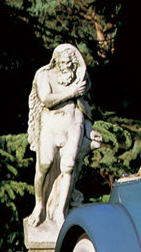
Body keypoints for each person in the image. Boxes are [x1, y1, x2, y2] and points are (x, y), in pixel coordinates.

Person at [27, 43, 93, 230]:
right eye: (63, 62)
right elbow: (46, 99)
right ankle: (39, 205)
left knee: (68, 166)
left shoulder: (80, 77)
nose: (67, 66)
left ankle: (60, 211)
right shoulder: (44, 75)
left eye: (70, 63)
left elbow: (85, 106)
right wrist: (71, 92)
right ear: (56, 61)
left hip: (73, 123)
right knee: (44, 164)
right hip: (51, 123)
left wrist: (89, 130)